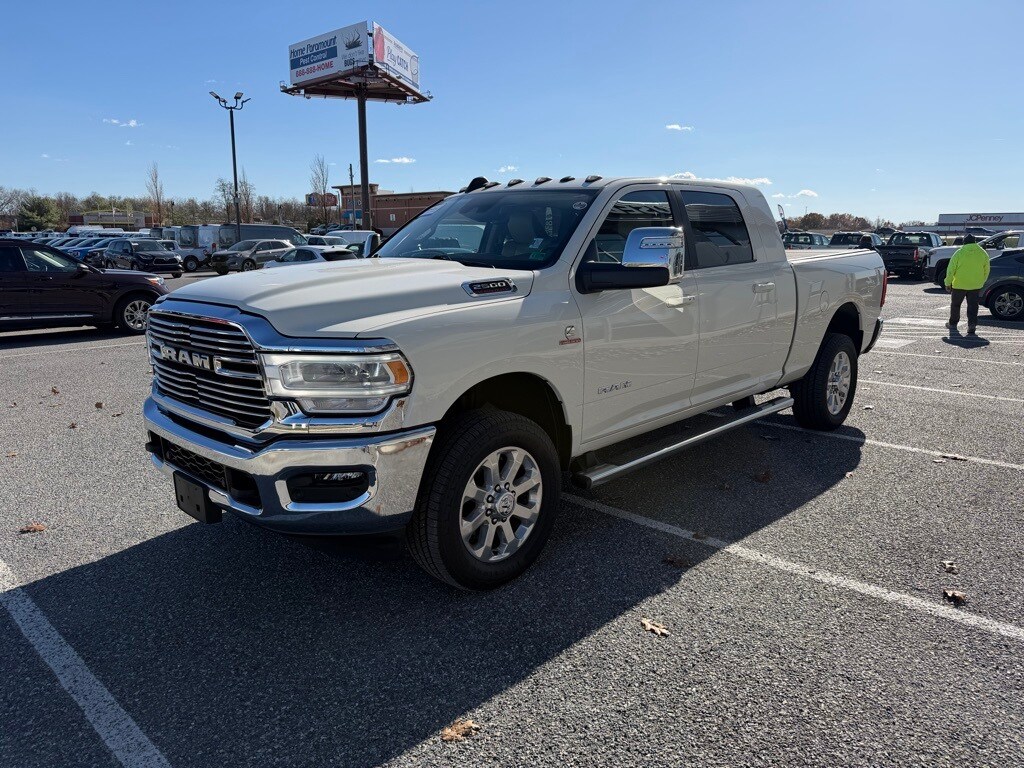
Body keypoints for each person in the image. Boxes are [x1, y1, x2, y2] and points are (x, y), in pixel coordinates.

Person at [944, 233, 990, 336]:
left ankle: (953, 324)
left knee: (956, 305)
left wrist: (948, 283)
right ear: (974, 242)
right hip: (975, 285)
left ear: (964, 242)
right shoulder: (983, 253)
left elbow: (951, 270)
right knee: (973, 306)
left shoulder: (959, 253)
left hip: (959, 284)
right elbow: (986, 270)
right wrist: (981, 281)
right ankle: (972, 325)